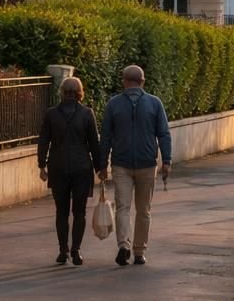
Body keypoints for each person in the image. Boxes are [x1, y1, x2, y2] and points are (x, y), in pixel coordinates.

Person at [99, 65, 172, 266]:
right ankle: (139, 251)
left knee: (122, 207)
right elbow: (163, 134)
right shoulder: (155, 103)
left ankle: (124, 245)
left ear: (124, 81)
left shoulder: (113, 104)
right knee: (143, 210)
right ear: (143, 81)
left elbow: (105, 137)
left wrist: (102, 164)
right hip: (147, 163)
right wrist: (166, 161)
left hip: (121, 164)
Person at [37, 76, 103, 266]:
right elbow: (94, 143)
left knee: (61, 212)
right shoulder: (87, 114)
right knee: (79, 212)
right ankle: (76, 250)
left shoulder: (51, 114)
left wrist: (41, 165)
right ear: (80, 92)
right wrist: (100, 168)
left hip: (57, 167)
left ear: (62, 92)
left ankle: (62, 250)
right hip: (81, 167)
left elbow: (43, 140)